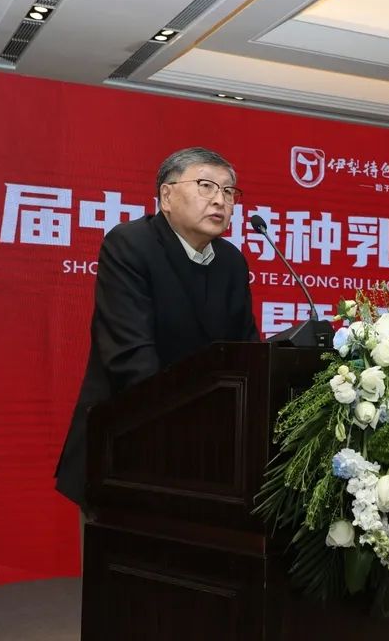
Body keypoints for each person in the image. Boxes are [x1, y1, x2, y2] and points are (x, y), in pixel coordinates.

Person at [54, 147, 260, 510]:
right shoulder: (130, 244)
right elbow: (130, 357)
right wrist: (192, 426)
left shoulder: (231, 262)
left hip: (207, 461)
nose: (220, 200)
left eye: (229, 192)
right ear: (166, 196)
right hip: (125, 449)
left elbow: (246, 353)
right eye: (206, 186)